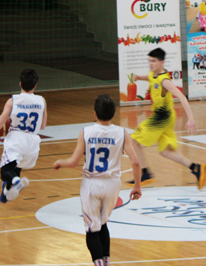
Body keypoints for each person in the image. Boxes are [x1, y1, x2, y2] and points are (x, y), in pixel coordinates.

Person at [53, 95, 143, 266]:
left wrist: (60, 163)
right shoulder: (122, 133)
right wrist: (137, 186)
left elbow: (73, 162)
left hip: (92, 184)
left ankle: (99, 264)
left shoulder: (86, 132)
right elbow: (136, 162)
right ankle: (106, 262)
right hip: (113, 184)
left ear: (95, 113)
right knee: (102, 223)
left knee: (92, 228)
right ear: (113, 113)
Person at [127, 47, 206, 189]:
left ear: (161, 62)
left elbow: (181, 96)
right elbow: (150, 78)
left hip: (162, 118)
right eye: (149, 61)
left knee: (133, 141)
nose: (151, 64)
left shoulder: (165, 81)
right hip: (167, 117)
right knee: (165, 151)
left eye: (154, 61)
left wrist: (191, 118)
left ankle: (145, 173)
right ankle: (196, 168)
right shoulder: (154, 74)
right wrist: (139, 77)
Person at [0, 68, 47, 203]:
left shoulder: (13, 100)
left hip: (17, 138)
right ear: (35, 86)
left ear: (20, 84)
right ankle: (5, 193)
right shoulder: (42, 100)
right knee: (15, 166)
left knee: (5, 171)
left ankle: (16, 181)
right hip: (33, 141)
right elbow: (43, 126)